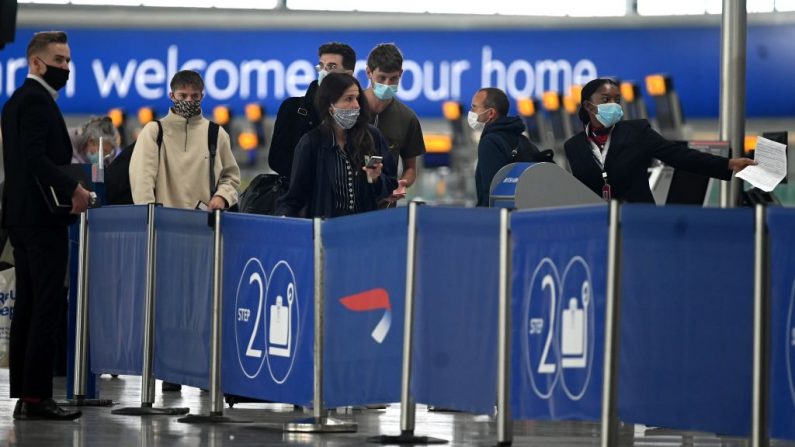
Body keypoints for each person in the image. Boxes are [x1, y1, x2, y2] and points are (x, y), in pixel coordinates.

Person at [1, 30, 90, 420]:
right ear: (36, 63)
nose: (65, 68)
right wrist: (73, 189)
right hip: (40, 219)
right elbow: (36, 159)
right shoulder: (37, 102)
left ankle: (27, 396)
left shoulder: (17, 101)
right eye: (58, 61)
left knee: (29, 304)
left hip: (19, 218)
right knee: (46, 307)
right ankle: (38, 398)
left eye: (68, 61)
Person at [564, 78, 755, 203]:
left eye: (617, 99)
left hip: (639, 223)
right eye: (605, 99)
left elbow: (680, 156)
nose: (613, 105)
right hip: (596, 225)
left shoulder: (638, 132)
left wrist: (728, 164)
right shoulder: (574, 147)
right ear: (589, 106)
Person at [276, 72, 398, 218]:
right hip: (326, 231)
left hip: (365, 229)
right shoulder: (311, 143)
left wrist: (377, 179)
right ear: (330, 106)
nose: (356, 105)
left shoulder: (372, 136)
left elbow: (391, 184)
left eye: (357, 98)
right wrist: (283, 220)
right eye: (348, 99)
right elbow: (295, 197)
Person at [130, 70, 240, 212]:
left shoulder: (216, 133)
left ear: (202, 96)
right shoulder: (154, 131)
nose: (189, 100)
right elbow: (142, 179)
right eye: (182, 95)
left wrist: (222, 196)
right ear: (171, 96)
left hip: (205, 224)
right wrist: (148, 217)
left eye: (195, 96)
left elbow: (230, 176)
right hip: (162, 224)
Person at [269, 42, 356, 180]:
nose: (324, 72)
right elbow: (277, 160)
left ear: (348, 75)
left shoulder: (356, 113)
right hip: (301, 196)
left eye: (331, 67)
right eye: (321, 66)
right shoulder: (292, 109)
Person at [362, 43, 425, 200]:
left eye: (393, 78)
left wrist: (402, 183)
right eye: (382, 78)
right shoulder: (350, 108)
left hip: (385, 208)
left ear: (401, 74)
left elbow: (410, 168)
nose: (387, 84)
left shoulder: (407, 118)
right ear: (369, 72)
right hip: (348, 208)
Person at [470, 87, 541, 207]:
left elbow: (491, 191)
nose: (471, 112)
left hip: (498, 218)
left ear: (491, 113)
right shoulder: (521, 138)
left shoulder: (490, 142)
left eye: (474, 107)